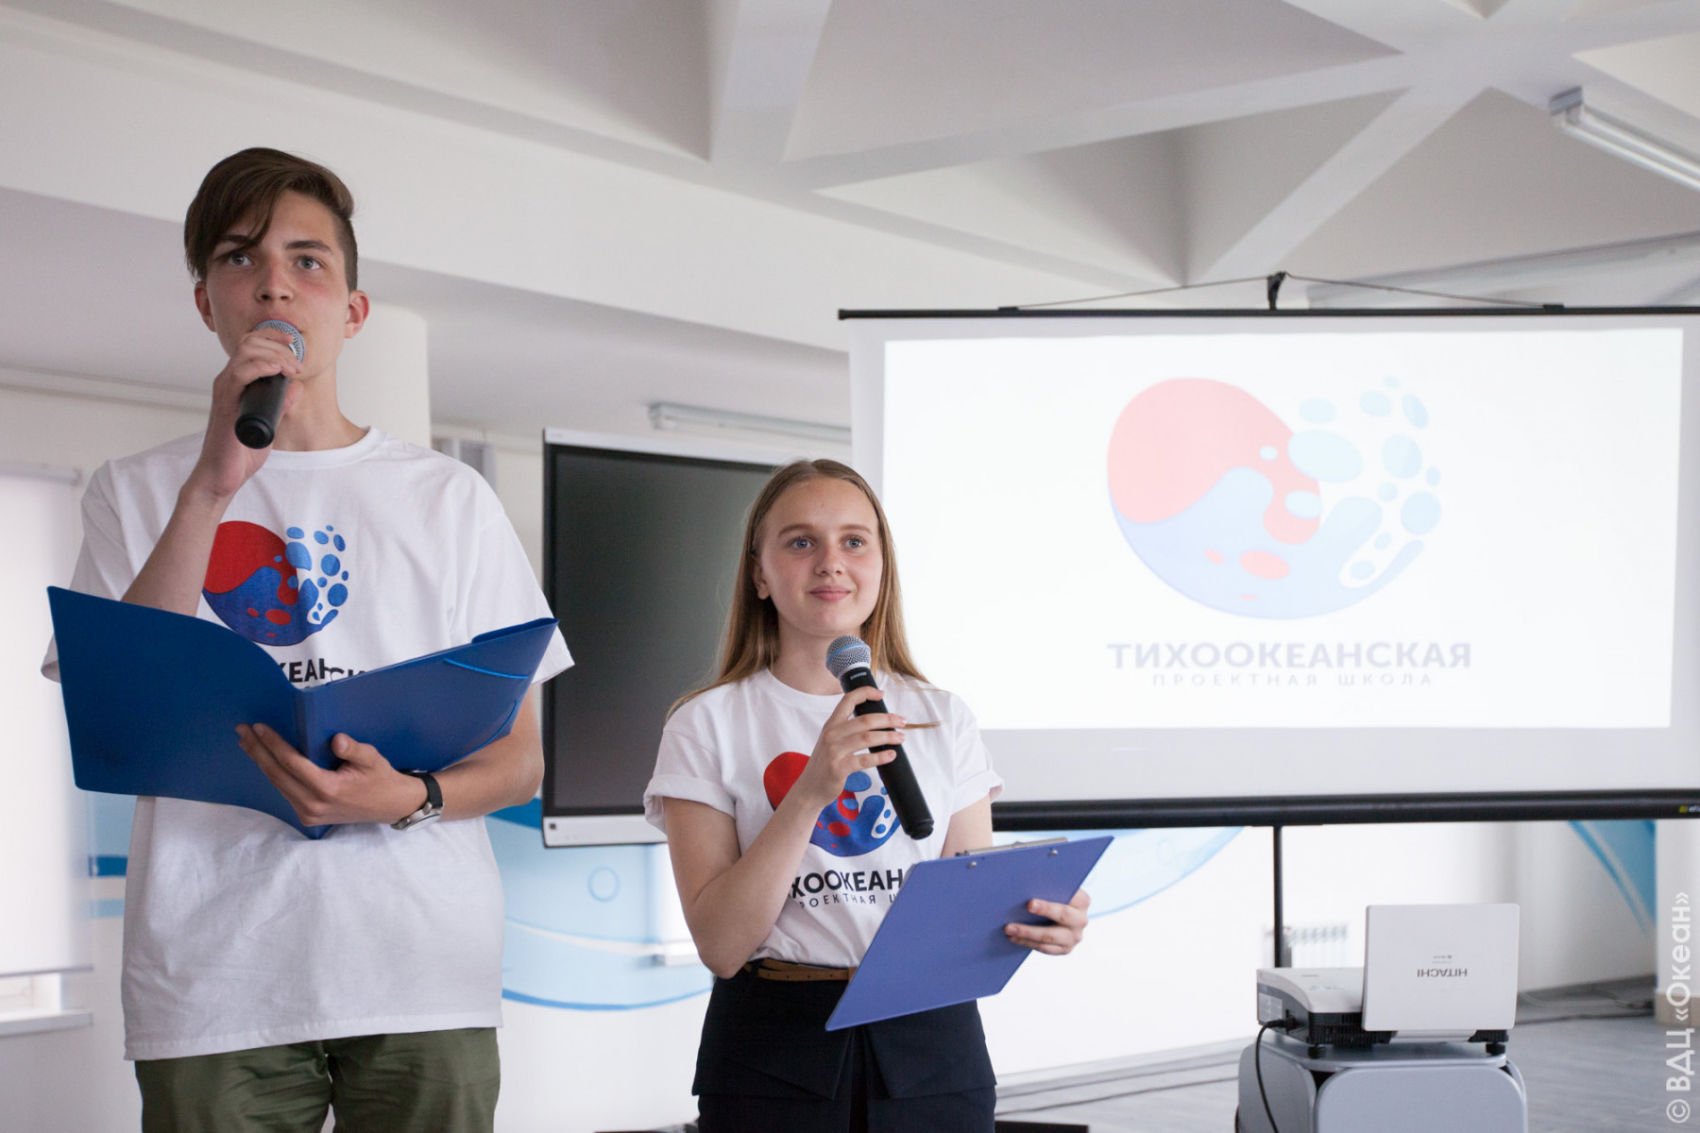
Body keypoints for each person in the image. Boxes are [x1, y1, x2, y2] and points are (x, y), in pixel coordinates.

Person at [43, 147, 570, 1132]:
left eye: (307, 260)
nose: (275, 282)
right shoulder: (134, 490)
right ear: (206, 301)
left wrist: (407, 797)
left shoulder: (449, 498)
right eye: (241, 257)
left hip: (421, 968)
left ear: (353, 309)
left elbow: (520, 759)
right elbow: (116, 709)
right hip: (213, 979)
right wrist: (210, 488)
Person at [644, 458, 1090, 1132]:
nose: (831, 562)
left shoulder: (943, 716)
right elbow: (722, 945)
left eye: (854, 541)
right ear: (759, 574)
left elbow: (963, 896)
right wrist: (808, 794)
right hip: (773, 1051)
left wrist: (1038, 916)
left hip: (933, 1050)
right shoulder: (706, 723)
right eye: (801, 541)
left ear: (882, 567)